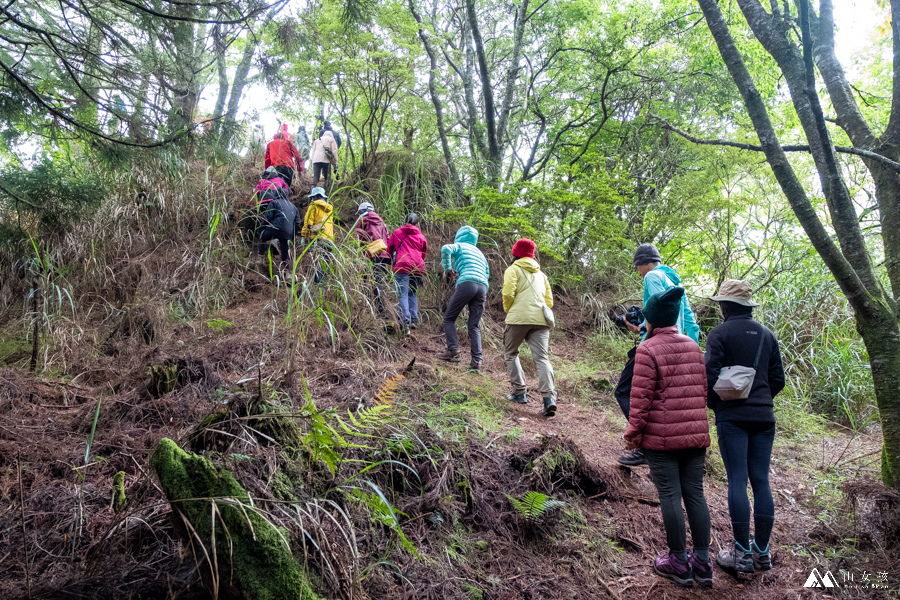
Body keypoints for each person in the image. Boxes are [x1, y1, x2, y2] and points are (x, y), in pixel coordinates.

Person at [624, 286, 713, 589]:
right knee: (696, 495)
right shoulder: (692, 346)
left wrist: (633, 434)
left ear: (651, 321)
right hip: (695, 436)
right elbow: (701, 392)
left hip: (661, 439)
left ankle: (678, 561)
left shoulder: (647, 349)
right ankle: (702, 561)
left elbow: (641, 399)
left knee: (670, 496)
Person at [705, 280, 785, 575]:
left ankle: (740, 555)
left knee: (737, 480)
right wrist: (760, 401)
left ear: (725, 306)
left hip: (732, 418)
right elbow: (778, 379)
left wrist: (720, 405)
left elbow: (709, 376)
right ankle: (761, 554)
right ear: (748, 306)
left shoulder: (719, 334)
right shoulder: (767, 335)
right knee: (761, 481)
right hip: (764, 418)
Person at [617, 243, 701, 467]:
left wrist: (643, 329)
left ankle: (645, 447)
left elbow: (661, 311)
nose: (639, 272)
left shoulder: (652, 276)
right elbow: (691, 322)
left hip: (654, 346)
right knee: (661, 399)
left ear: (642, 263)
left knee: (624, 392)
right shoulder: (675, 281)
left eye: (638, 267)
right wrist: (690, 349)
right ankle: (667, 450)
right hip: (679, 345)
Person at [502, 238, 557, 416]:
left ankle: (519, 393)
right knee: (542, 358)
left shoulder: (513, 269)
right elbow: (549, 301)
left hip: (518, 318)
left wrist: (510, 310)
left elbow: (508, 293)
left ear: (515, 253)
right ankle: (549, 399)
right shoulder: (541, 275)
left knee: (511, 353)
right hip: (541, 320)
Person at [438, 226, 489, 371]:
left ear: (459, 235)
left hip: (467, 283)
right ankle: (477, 361)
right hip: (482, 287)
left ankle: (453, 352)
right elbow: (487, 273)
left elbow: (446, 249)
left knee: (449, 318)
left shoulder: (459, 245)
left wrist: (448, 270)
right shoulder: (480, 253)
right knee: (474, 325)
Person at [387, 213, 428, 335]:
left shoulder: (397, 232)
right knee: (412, 293)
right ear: (417, 224)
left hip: (402, 264)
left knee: (402, 294)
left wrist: (391, 260)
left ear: (405, 221)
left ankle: (404, 323)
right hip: (418, 266)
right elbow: (423, 253)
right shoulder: (421, 236)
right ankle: (414, 319)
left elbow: (389, 249)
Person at [355, 202, 391, 314]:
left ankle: (373, 307)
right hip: (383, 254)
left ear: (363, 211)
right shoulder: (381, 222)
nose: (359, 214)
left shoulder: (363, 220)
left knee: (367, 280)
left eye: (360, 212)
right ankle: (375, 306)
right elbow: (388, 238)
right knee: (377, 279)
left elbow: (358, 238)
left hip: (369, 254)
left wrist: (361, 252)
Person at [300, 187, 335, 284]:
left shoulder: (313, 206)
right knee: (325, 262)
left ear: (316, 196)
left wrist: (304, 235)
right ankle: (324, 286)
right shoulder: (330, 209)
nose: (312, 199)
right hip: (329, 239)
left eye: (313, 197)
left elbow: (308, 223)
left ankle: (319, 285)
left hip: (317, 238)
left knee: (317, 262)